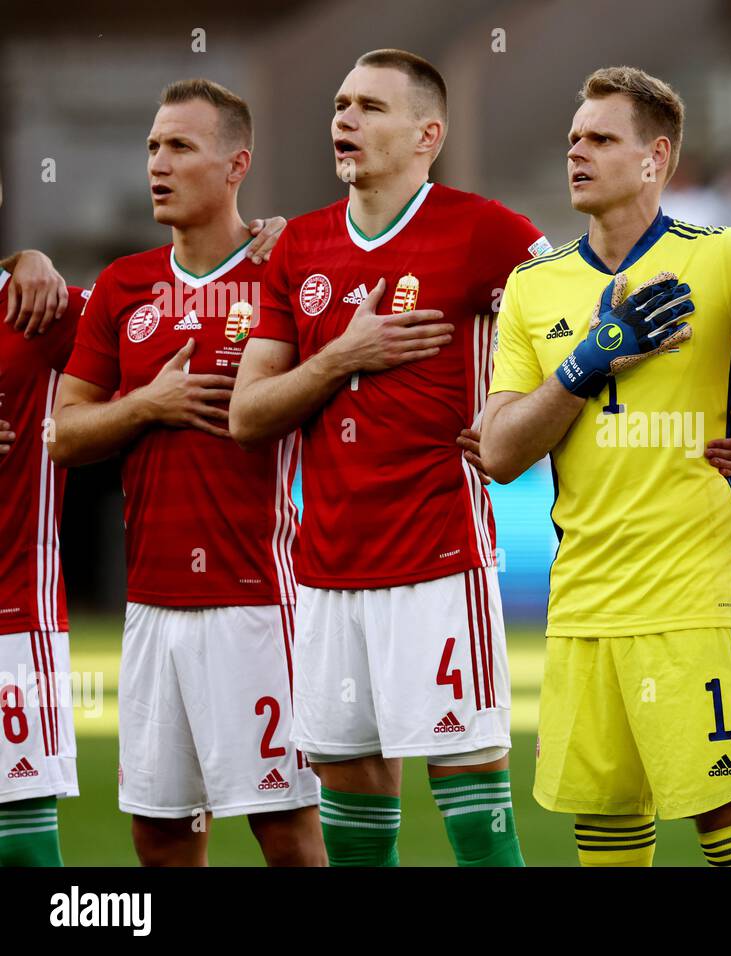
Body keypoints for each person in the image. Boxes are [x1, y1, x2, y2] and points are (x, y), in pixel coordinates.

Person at [229, 49, 547, 867]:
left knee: (474, 812)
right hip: (327, 572)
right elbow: (248, 415)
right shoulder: (297, 246)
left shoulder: (489, 232)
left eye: (369, 106)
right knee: (352, 812)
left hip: (438, 560)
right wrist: (342, 354)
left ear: (426, 134)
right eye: (340, 104)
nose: (344, 119)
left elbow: (575, 330)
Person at [480, 66, 731, 867]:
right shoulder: (533, 288)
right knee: (606, 825)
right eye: (574, 137)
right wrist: (589, 362)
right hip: (583, 601)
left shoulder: (726, 260)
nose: (577, 151)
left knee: (728, 812)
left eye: (601, 138)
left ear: (656, 158)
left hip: (695, 594)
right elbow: (500, 451)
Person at [50, 79, 323, 866]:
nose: (157, 165)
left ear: (237, 164)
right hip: (151, 609)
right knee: (162, 837)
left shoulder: (285, 271)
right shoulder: (123, 287)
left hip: (255, 603)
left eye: (180, 147)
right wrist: (148, 403)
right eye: (151, 148)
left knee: (287, 835)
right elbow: (63, 435)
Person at [0, 166, 87, 866]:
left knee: (25, 853)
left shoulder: (33, 309)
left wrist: (260, 248)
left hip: (12, 622)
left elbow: (183, 307)